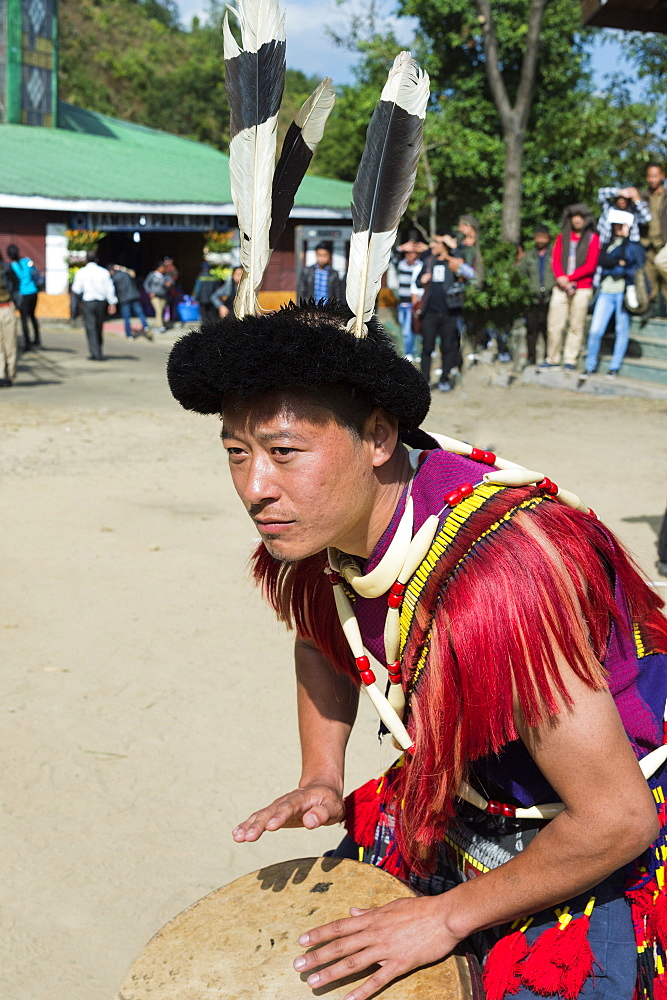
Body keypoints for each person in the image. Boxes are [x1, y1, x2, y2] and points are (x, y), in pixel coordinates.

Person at [167, 37, 667, 1000]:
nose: (254, 488)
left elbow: (614, 820)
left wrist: (441, 918)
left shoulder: (498, 579)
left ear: (379, 437)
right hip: (476, 774)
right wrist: (322, 770)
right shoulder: (313, 532)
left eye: (282, 451)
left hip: (603, 804)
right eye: (236, 453)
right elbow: (324, 635)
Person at [582, 209, 645, 380]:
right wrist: (618, 263)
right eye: (616, 225)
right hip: (605, 291)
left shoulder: (633, 245)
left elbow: (633, 263)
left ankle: (614, 367)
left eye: (622, 226)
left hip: (623, 293)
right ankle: (590, 366)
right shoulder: (607, 244)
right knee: (595, 330)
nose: (618, 228)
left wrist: (625, 240)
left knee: (621, 330)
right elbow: (602, 261)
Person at [542, 203, 600, 371]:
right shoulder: (562, 237)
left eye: (580, 216)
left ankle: (570, 359)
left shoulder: (592, 238)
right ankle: (552, 358)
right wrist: (562, 279)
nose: (577, 220)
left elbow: (590, 265)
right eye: (574, 216)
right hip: (561, 287)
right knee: (554, 325)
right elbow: (556, 260)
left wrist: (569, 278)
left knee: (576, 325)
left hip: (582, 287)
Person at [417, 234, 475, 391]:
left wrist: (454, 249)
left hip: (449, 312)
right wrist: (422, 279)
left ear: (444, 245)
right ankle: (425, 381)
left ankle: (444, 378)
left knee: (448, 347)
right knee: (427, 347)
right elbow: (417, 280)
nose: (433, 245)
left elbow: (468, 272)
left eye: (436, 243)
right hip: (430, 312)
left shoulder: (454, 262)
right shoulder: (429, 261)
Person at [518, 226, 555, 365]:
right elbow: (522, 274)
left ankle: (549, 356)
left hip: (550, 298)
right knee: (532, 330)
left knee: (548, 330)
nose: (541, 240)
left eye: (544, 237)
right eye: (539, 237)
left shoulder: (554, 253)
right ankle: (531, 357)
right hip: (533, 299)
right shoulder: (529, 255)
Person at [70, 251, 117, 361]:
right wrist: (112, 303)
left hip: (88, 302)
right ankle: (98, 350)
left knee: (91, 327)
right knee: (99, 326)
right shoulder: (104, 272)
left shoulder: (81, 272)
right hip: (101, 303)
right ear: (97, 259)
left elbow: (76, 289)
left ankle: (95, 353)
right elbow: (109, 289)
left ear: (86, 260)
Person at [640, 163, 667, 313]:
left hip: (663, 242)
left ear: (662, 176)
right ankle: (651, 308)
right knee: (648, 277)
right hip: (646, 242)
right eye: (649, 176)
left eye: (655, 175)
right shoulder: (642, 196)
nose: (652, 179)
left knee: (664, 275)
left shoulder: (666, 195)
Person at [6, 243, 42, 351]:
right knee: (33, 316)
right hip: (33, 292)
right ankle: (37, 339)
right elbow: (35, 272)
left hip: (23, 295)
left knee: (24, 319)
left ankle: (28, 343)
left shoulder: (11, 267)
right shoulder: (27, 261)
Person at [394, 243, 423, 361]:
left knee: (411, 330)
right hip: (402, 303)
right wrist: (401, 247)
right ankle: (411, 352)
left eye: (414, 253)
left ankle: (411, 353)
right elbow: (390, 257)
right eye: (409, 253)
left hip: (414, 303)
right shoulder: (401, 265)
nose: (411, 256)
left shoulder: (420, 266)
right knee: (405, 329)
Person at [109, 265, 152, 340]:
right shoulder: (126, 274)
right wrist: (122, 268)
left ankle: (129, 334)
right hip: (134, 295)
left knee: (126, 317)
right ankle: (145, 325)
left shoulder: (114, 278)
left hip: (124, 298)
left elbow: (112, 289)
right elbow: (133, 274)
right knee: (140, 312)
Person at [0, 249, 19, 387]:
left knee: (9, 344)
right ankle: (2, 375)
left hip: (7, 308)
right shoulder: (8, 268)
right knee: (6, 345)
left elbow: (16, 287)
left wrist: (15, 303)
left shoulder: (7, 269)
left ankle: (9, 374)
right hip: (7, 309)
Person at [143, 263, 172, 333]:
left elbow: (171, 281)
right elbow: (146, 284)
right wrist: (149, 292)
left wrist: (169, 284)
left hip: (163, 296)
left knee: (161, 311)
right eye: (162, 268)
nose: (163, 269)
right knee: (159, 310)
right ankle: (160, 326)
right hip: (155, 296)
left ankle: (157, 325)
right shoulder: (152, 275)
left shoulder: (165, 276)